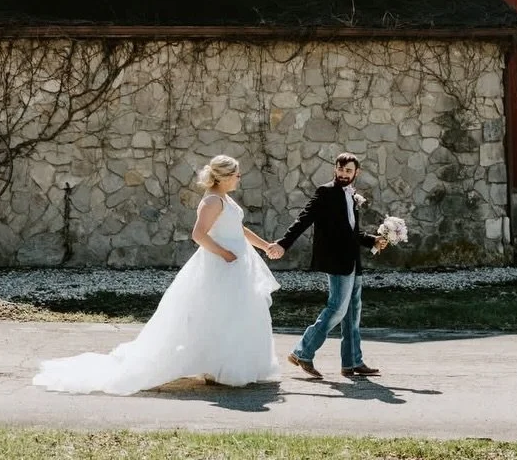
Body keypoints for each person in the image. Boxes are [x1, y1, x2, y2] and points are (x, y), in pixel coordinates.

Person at [32, 155, 283, 395]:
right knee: (217, 315)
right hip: (221, 265)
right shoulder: (212, 201)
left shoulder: (225, 200)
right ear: (225, 177)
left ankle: (226, 365)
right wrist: (224, 253)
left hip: (237, 265)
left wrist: (264, 245)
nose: (240, 178)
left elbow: (238, 228)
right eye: (237, 174)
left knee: (237, 316)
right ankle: (216, 367)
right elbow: (198, 235)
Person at [269, 151, 387, 380]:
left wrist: (372, 240)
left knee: (353, 313)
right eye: (340, 170)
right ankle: (302, 352)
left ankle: (352, 362)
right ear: (335, 169)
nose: (343, 174)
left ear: (356, 172)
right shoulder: (325, 192)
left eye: (348, 171)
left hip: (353, 261)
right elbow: (304, 218)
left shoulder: (351, 195)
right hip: (337, 261)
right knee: (337, 309)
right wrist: (284, 244)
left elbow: (351, 231)